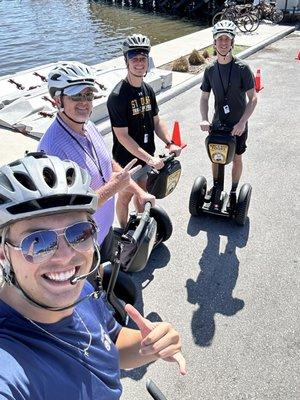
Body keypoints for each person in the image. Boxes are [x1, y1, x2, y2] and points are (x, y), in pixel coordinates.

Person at [0, 152, 186, 400]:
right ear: (3, 253)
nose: (66, 257)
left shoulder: (81, 290)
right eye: (38, 241)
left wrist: (151, 344)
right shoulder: (10, 361)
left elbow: (112, 342)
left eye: (80, 233)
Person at [38, 61, 155, 265]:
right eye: (76, 95)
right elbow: (68, 210)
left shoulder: (88, 125)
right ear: (57, 100)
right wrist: (113, 188)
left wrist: (139, 192)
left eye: (88, 95)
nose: (84, 102)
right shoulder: (51, 149)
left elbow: (108, 164)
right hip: (81, 247)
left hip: (104, 230)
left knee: (109, 281)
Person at [107, 34, 182, 228]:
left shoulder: (148, 90)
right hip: (127, 160)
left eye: (143, 59)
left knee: (142, 194)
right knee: (124, 197)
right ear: (126, 61)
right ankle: (124, 232)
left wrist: (170, 141)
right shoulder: (117, 96)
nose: (139, 63)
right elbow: (122, 136)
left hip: (147, 156)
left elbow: (156, 121)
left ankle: (141, 228)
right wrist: (149, 159)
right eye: (134, 59)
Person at [200, 20, 257, 210]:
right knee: (216, 157)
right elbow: (204, 98)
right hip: (217, 123)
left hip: (238, 124)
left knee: (237, 158)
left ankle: (233, 190)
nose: (223, 43)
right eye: (220, 39)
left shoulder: (242, 69)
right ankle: (216, 186)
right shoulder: (210, 69)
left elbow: (253, 99)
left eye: (227, 39)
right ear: (214, 43)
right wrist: (204, 118)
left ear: (232, 42)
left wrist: (242, 123)